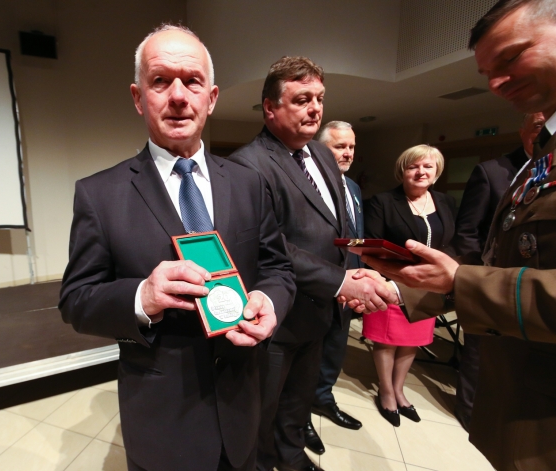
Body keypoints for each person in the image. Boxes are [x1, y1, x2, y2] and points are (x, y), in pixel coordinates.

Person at [59, 25, 296, 471]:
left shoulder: (249, 183)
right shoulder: (99, 194)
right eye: (160, 81)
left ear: (212, 97)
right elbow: (75, 300)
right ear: (138, 97)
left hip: (243, 406)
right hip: (163, 421)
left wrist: (270, 301)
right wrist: (141, 297)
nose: (179, 96)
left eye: (192, 81)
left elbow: (278, 268)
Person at [352, 1, 556, 468]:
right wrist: (413, 286)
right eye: (487, 72)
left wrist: (459, 282)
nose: (496, 83)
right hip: (520, 395)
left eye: (510, 57)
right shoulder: (540, 157)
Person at [229, 57, 395, 471]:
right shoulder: (248, 164)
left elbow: (338, 224)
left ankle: (292, 461)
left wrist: (356, 268)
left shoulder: (321, 153)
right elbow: (270, 246)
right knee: (263, 412)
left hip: (321, 313)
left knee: (297, 406)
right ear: (270, 108)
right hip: (279, 318)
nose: (315, 108)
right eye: (302, 99)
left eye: (319, 98)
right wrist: (340, 281)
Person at [451, 111, 544, 431]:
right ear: (522, 131)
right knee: (479, 354)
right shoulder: (492, 171)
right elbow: (467, 231)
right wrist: (479, 278)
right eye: (538, 126)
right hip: (490, 281)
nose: (545, 134)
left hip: (536, 289)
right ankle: (470, 414)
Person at [362, 145, 456, 426]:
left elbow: (452, 243)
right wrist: (387, 281)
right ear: (402, 171)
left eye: (428, 166)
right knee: (387, 341)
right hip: (392, 282)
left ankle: (400, 389)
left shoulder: (446, 202)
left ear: (437, 171)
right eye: (413, 166)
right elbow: (373, 245)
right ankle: (386, 392)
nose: (420, 172)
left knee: (412, 341)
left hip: (428, 287)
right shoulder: (382, 202)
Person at [308, 121, 363, 434]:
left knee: (335, 348)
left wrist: (362, 275)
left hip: (349, 285)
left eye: (351, 147)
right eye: (340, 146)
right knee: (308, 352)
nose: (348, 153)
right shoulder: (307, 184)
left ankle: (323, 397)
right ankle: (299, 416)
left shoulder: (352, 187)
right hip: (316, 284)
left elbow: (357, 237)